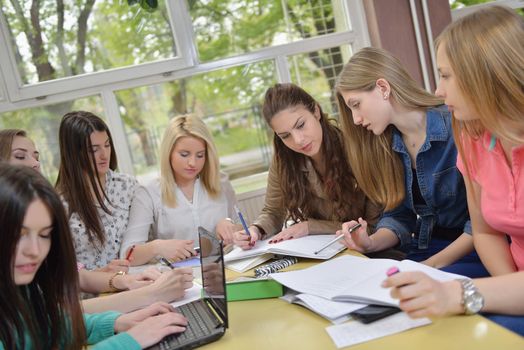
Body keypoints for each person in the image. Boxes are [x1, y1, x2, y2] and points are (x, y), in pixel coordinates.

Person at [383, 6, 524, 335]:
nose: (437, 90)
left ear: (485, 74)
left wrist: (462, 294)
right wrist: (506, 292)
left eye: (446, 75)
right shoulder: (474, 138)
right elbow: (485, 232)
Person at [0, 128, 194, 313]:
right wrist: (151, 294)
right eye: (20, 156)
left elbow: (72, 275)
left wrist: (119, 280)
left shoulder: (126, 185)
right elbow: (61, 315)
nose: (35, 163)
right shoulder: (58, 202)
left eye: (44, 235)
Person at [334, 47, 487, 277]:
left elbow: (480, 225)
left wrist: (430, 266)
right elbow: (398, 216)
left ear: (383, 88)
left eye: (356, 105)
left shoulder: (457, 127)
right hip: (426, 249)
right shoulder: (386, 144)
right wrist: (369, 243)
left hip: (474, 251)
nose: (355, 119)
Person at [0, 163, 188, 349]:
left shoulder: (22, 290)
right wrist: (131, 340)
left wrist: (117, 322)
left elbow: (49, 327)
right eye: (19, 234)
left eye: (44, 235)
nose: (34, 250)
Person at [233, 83, 381, 249]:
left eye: (301, 125)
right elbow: (273, 212)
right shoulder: (283, 159)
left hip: (368, 252)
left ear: (316, 111)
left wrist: (310, 226)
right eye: (285, 135)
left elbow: (373, 228)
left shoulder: (356, 149)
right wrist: (255, 230)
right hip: (322, 254)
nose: (298, 140)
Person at [121, 114, 239, 265]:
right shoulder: (148, 193)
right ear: (168, 153)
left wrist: (230, 225)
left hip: (224, 270)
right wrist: (157, 247)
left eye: (200, 155)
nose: (192, 163)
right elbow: (127, 255)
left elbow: (242, 228)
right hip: (178, 279)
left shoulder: (221, 182)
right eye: (184, 154)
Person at [56, 111, 137, 271]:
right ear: (73, 154)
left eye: (107, 145)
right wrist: (103, 274)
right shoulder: (59, 203)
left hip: (135, 282)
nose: (104, 154)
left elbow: (141, 241)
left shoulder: (127, 186)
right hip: (94, 294)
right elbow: (62, 271)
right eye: (94, 149)